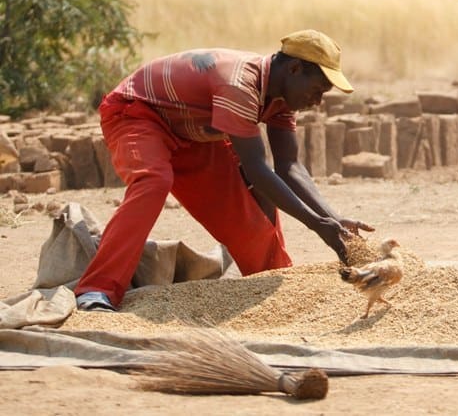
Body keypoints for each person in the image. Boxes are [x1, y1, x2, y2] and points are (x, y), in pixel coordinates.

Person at [73, 29, 373, 312]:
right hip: (136, 113)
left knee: (244, 213)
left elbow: (289, 166)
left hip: (193, 133)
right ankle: (97, 289)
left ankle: (274, 282)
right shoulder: (239, 84)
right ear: (294, 70)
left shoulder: (280, 100)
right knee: (153, 182)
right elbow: (257, 168)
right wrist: (318, 225)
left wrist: (334, 222)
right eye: (318, 89)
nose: (318, 102)